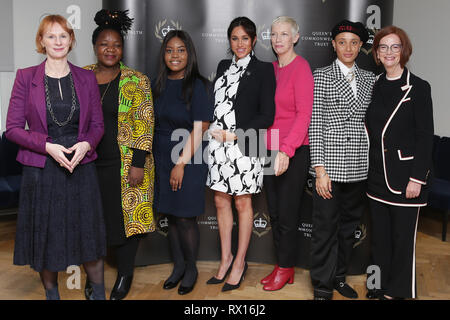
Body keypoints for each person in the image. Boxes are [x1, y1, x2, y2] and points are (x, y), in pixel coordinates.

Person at [6, 14, 106, 300]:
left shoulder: (87, 77)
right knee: (47, 240)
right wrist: (47, 146)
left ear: (71, 40)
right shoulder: (26, 77)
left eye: (63, 35)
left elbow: (97, 126)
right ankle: (53, 297)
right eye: (51, 36)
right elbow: (12, 129)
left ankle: (97, 295)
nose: (58, 41)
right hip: (42, 170)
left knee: (89, 238)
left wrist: (86, 145)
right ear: (41, 41)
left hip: (81, 166)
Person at [84, 9, 155, 300]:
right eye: (104, 44)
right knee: (92, 222)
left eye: (116, 44)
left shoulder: (137, 80)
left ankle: (125, 274)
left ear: (122, 49)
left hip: (126, 166)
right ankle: (94, 277)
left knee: (128, 223)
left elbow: (144, 122)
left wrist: (138, 164)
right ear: (95, 46)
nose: (110, 49)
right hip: (88, 166)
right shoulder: (82, 77)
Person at [206, 16, 276, 292]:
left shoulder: (264, 70)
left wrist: (235, 134)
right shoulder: (224, 66)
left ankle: (239, 263)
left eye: (244, 38)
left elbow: (267, 115)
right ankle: (225, 260)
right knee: (221, 201)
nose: (239, 44)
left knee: (242, 204)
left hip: (245, 144)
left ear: (254, 40)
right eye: (234, 39)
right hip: (217, 146)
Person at [365, 26, 433, 300]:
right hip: (376, 178)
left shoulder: (418, 87)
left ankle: (397, 292)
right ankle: (375, 286)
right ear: (377, 53)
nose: (389, 52)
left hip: (406, 179)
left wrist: (417, 178)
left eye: (395, 46)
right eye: (383, 47)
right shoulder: (374, 84)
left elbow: (425, 136)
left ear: (404, 50)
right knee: (379, 240)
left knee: (402, 242)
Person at [308, 20, 376, 300]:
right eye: (342, 42)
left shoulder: (371, 79)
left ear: (361, 47)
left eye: (354, 42)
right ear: (333, 44)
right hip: (330, 166)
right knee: (325, 228)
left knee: (349, 228)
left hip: (359, 165)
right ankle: (322, 284)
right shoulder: (321, 75)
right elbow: (315, 124)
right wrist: (320, 169)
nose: (348, 47)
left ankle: (339, 277)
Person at [152, 30, 213, 295]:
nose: (175, 55)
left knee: (186, 218)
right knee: (172, 217)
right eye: (169, 50)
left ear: (189, 54)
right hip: (162, 155)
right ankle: (177, 267)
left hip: (189, 155)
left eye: (181, 50)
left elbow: (200, 129)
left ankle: (191, 268)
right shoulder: (158, 85)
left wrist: (180, 163)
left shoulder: (197, 85)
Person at [261, 16, 313, 291]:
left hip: (293, 151)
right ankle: (284, 266)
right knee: (276, 215)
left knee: (288, 214)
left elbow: (304, 115)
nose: (278, 39)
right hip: (269, 150)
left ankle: (285, 268)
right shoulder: (270, 70)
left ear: (296, 37)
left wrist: (286, 150)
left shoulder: (301, 68)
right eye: (273, 34)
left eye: (284, 34)